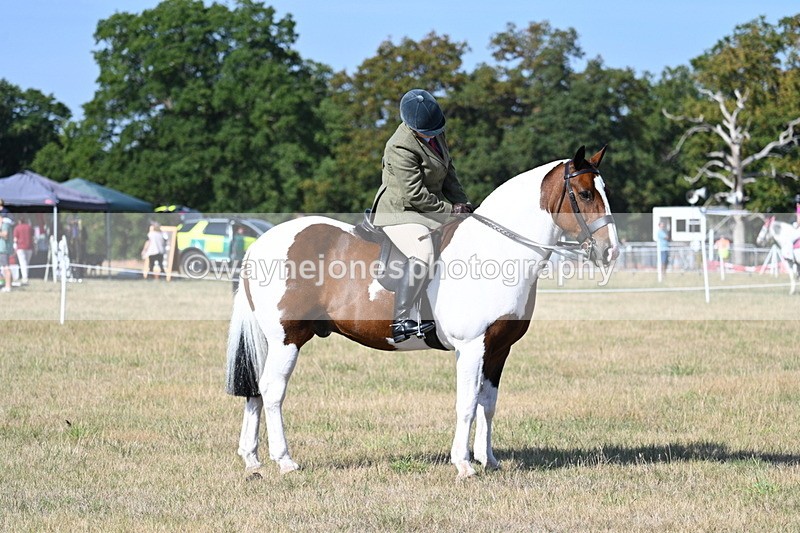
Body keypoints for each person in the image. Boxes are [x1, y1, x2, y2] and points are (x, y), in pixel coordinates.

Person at [371, 88, 472, 343]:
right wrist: (450, 212)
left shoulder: (436, 132)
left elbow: (449, 172)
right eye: (428, 133)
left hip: (429, 207)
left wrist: (463, 203)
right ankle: (402, 320)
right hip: (401, 211)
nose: (434, 135)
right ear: (412, 127)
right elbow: (414, 194)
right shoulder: (399, 146)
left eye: (436, 130)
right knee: (423, 253)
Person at [13, 216, 33, 285]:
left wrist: (15, 248)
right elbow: (32, 237)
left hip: (21, 247)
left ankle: (25, 277)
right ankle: (25, 276)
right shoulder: (29, 227)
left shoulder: (17, 228)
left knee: (23, 263)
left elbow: (15, 239)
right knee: (26, 263)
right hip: (29, 247)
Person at [0, 211, 13, 292]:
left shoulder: (5, 224)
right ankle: (6, 284)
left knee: (6, 268)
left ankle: (8, 286)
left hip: (4, 249)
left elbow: (5, 235)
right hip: (3, 249)